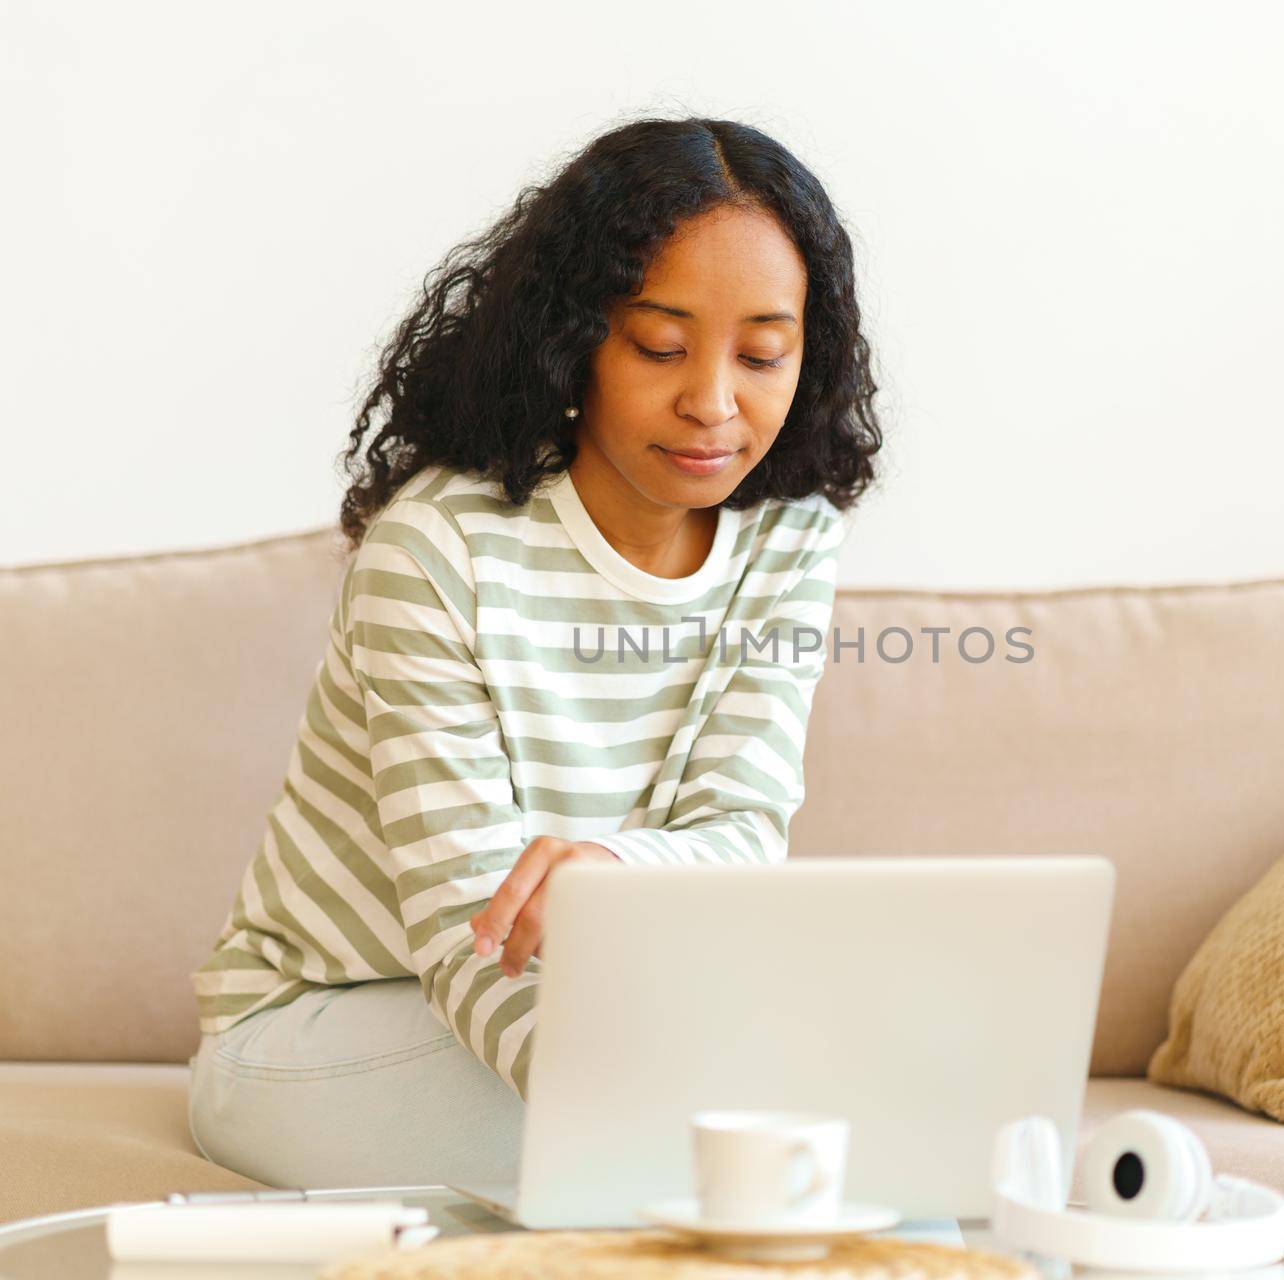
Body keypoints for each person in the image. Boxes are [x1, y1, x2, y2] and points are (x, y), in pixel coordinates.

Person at [185, 114, 883, 1189]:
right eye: (659, 345)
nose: (711, 401)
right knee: (700, 1155)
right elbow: (469, 928)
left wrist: (612, 873)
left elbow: (740, 831)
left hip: (593, 995)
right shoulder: (436, 547)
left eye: (760, 354)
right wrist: (631, 1101)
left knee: (818, 1114)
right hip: (324, 1024)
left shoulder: (789, 540)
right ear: (575, 339)